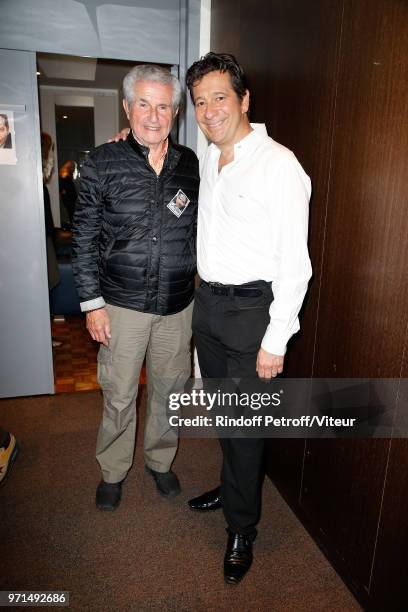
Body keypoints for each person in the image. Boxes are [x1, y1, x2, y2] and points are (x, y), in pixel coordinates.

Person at [185, 53, 312, 584]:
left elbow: (296, 264)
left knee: (245, 427)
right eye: (200, 102)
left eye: (219, 97)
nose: (209, 110)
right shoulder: (209, 159)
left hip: (250, 313)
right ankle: (233, 484)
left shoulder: (278, 164)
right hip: (208, 306)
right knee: (224, 413)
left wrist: (275, 339)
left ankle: (243, 528)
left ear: (243, 100)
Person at [71, 65, 199, 511]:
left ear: (175, 112)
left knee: (171, 389)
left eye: (163, 105)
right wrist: (92, 304)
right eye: (143, 103)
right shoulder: (100, 163)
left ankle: (160, 462)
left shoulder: (191, 165)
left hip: (178, 306)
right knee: (121, 393)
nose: (153, 115)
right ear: (127, 107)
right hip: (120, 305)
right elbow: (83, 237)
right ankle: (112, 469)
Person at [59, 160, 78, 225]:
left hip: (71, 201)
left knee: (72, 217)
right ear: (69, 167)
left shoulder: (68, 175)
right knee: (71, 217)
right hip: (69, 201)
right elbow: (63, 189)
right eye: (73, 167)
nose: (74, 169)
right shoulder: (64, 176)